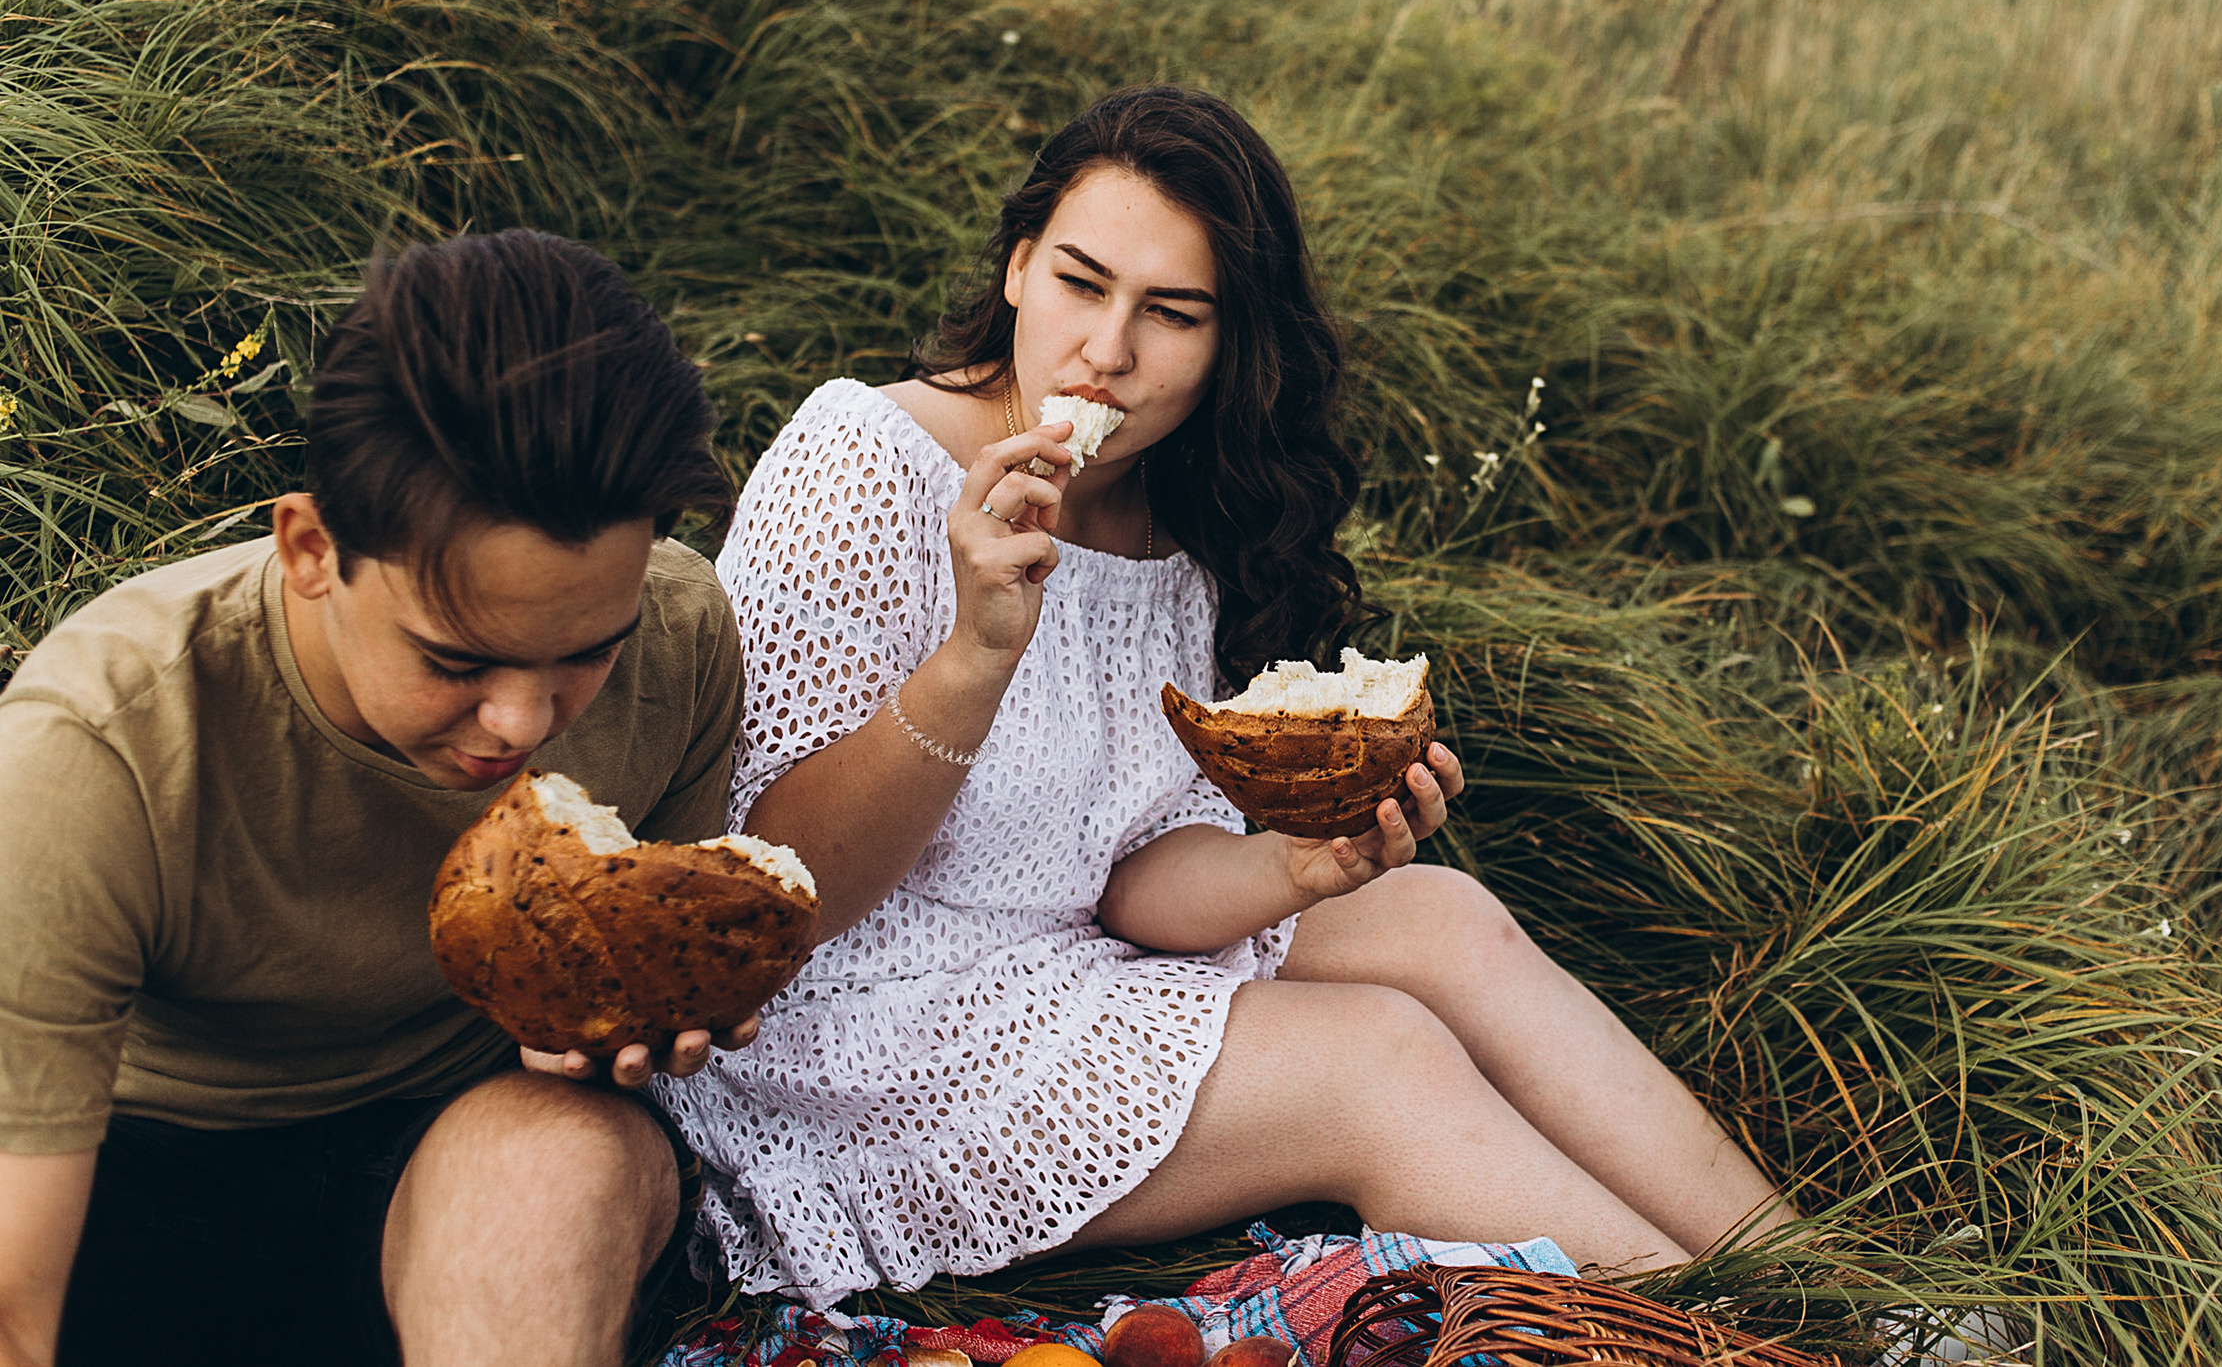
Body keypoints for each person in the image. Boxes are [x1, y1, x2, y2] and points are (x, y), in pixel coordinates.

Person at [654, 85, 1794, 1310]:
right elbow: (772, 893)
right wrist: (973, 658)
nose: (1107, 350)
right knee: (1378, 1067)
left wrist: (1297, 870)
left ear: (1225, 346)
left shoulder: (1173, 532)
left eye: (1171, 314)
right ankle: (1753, 1346)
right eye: (1080, 284)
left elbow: (1133, 879)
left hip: (1066, 958)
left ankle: (1839, 1294)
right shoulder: (862, 459)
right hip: (848, 1030)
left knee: (1440, 917)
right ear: (1018, 266)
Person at [0, 232, 752, 1367]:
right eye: (457, 661)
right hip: (126, 1170)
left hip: (456, 1145)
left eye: (585, 654)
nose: (526, 721)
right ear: (310, 547)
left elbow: (630, 964)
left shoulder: (681, 629)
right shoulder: (102, 744)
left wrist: (626, 1019)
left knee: (553, 1171)